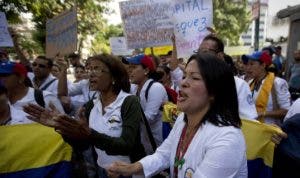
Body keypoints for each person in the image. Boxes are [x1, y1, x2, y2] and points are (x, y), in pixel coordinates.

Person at [108, 53, 247, 178]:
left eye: (195, 78)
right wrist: (132, 168)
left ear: (214, 92)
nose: (182, 83)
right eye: (185, 75)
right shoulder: (182, 119)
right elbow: (163, 154)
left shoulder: (227, 138)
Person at [23, 54, 146, 178]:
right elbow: (83, 145)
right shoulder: (91, 106)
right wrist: (64, 128)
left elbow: (126, 145)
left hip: (130, 172)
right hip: (103, 171)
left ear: (113, 76)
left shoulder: (129, 102)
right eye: (90, 69)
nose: (91, 74)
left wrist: (89, 133)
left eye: (97, 69)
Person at [197, 34, 258, 120]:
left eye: (205, 52)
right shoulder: (195, 83)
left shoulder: (238, 85)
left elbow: (249, 120)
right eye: (199, 52)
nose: (200, 57)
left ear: (220, 56)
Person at [123, 54, 168, 154]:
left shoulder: (156, 88)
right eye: (129, 67)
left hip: (160, 144)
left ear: (146, 71)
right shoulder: (134, 88)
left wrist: (126, 116)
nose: (130, 71)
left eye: (134, 67)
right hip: (146, 144)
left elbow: (149, 118)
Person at [0, 61, 64, 124]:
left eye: (4, 75)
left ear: (21, 77)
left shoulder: (45, 97)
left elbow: (64, 125)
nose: (1, 79)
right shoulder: (3, 101)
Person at [243, 51, 291, 126]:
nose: (248, 68)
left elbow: (286, 111)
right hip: (253, 128)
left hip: (271, 133)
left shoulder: (278, 83)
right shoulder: (249, 83)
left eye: (252, 64)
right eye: (247, 64)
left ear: (263, 65)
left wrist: (263, 113)